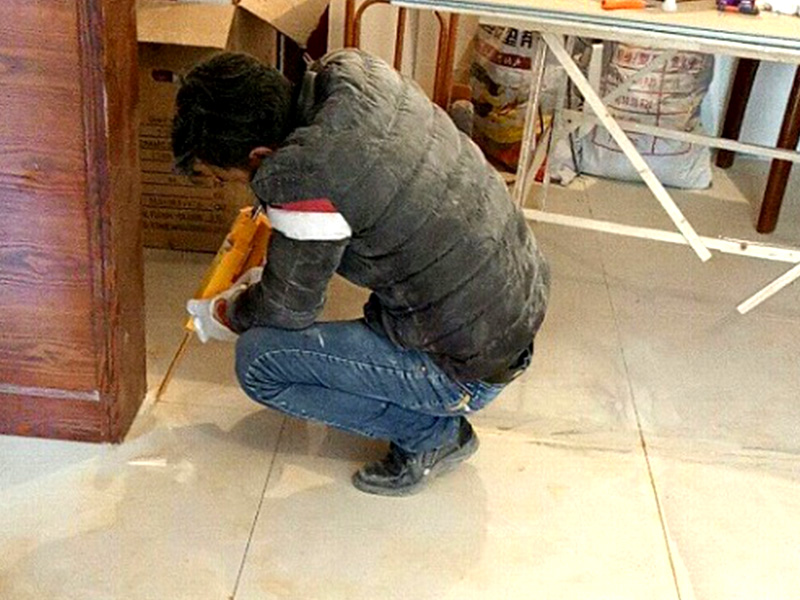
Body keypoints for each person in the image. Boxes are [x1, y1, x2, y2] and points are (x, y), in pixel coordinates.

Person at [172, 49, 550, 496]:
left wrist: (227, 313)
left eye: (225, 177)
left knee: (260, 360)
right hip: (514, 300)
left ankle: (434, 437)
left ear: (259, 154)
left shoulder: (303, 175)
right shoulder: (356, 76)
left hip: (468, 365)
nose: (232, 187)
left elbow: (286, 313)